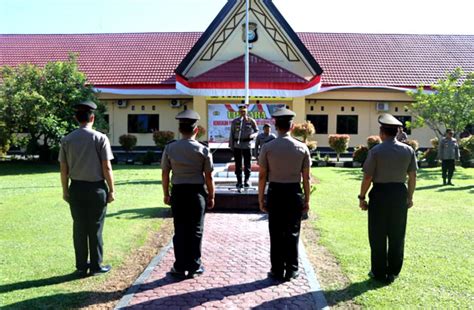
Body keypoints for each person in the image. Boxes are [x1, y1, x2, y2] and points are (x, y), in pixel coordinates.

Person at [358, 113, 417, 283]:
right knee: (397, 234)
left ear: (382, 132)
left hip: (380, 194)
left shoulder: (376, 151)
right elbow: (412, 176)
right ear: (397, 132)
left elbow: (368, 177)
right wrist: (410, 196)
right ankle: (393, 271)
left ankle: (378, 271)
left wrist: (362, 197)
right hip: (399, 193)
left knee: (377, 234)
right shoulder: (408, 150)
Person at [59, 100, 115, 277]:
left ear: (76, 118)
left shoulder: (67, 139)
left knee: (79, 228)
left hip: (76, 188)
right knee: (95, 227)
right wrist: (112, 189)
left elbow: (63, 169)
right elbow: (106, 167)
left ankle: (81, 265)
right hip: (96, 189)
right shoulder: (100, 138)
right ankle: (96, 265)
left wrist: (65, 190)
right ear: (92, 117)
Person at [258, 108, 312, 281]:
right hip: (294, 192)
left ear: (275, 125)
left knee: (276, 232)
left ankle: (276, 269)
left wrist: (261, 198)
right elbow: (306, 178)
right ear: (292, 126)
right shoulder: (302, 147)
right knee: (292, 232)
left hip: (275, 192)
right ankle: (291, 269)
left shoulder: (267, 147)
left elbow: (262, 176)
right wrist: (307, 200)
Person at [161, 109, 215, 279]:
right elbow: (209, 176)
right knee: (196, 230)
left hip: (178, 192)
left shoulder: (170, 148)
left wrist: (166, 193)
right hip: (196, 193)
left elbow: (165, 173)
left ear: (180, 129)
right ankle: (194, 266)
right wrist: (211, 196)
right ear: (196, 130)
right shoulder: (203, 150)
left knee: (180, 229)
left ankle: (179, 265)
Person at [229, 105, 259, 188]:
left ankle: (247, 180)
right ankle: (239, 181)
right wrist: (231, 145)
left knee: (247, 164)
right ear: (239, 112)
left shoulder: (251, 121)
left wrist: (253, 135)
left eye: (244, 112)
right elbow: (231, 133)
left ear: (247, 112)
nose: (242, 113)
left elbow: (257, 131)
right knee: (238, 165)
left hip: (247, 145)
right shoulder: (235, 121)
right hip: (237, 146)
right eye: (241, 112)